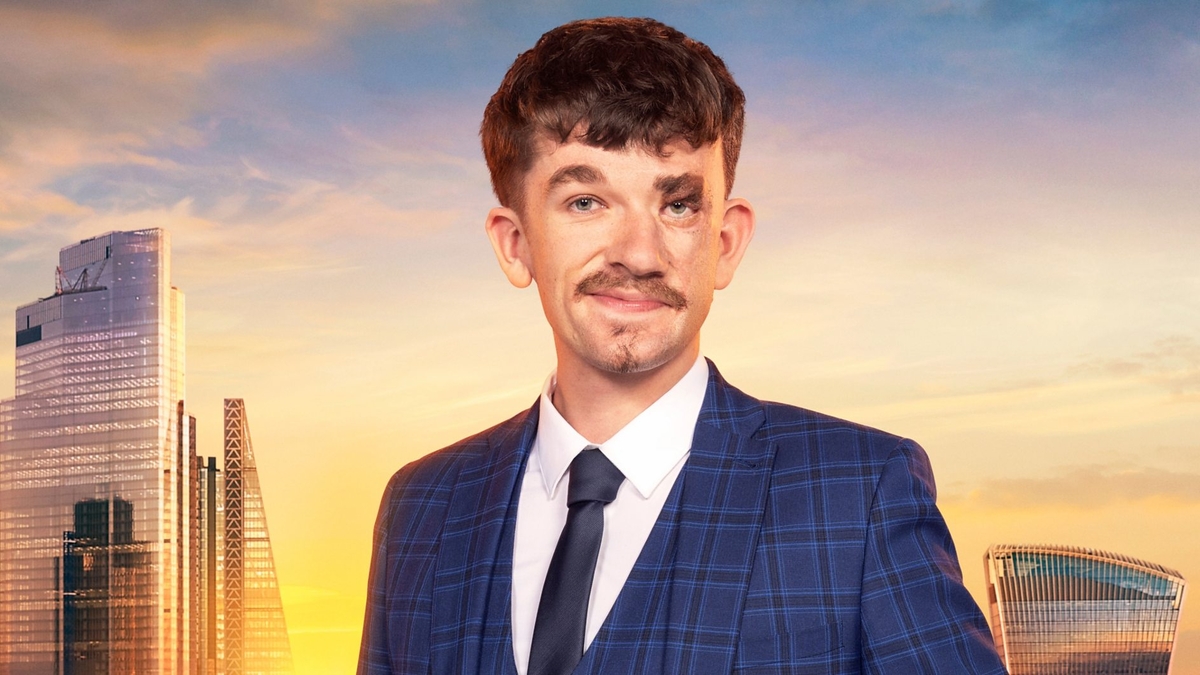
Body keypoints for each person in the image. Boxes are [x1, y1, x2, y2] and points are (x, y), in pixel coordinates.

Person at [359, 16, 1006, 675]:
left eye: (677, 205)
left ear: (726, 243)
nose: (639, 253)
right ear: (514, 242)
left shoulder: (859, 493)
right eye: (586, 201)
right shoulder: (421, 507)